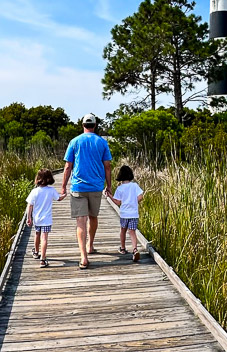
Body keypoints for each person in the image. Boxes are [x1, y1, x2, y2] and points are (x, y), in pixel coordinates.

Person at [61, 113, 112, 270]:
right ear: (95, 125)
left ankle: (83, 256)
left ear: (83, 125)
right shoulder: (102, 142)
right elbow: (107, 166)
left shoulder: (74, 141)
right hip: (96, 186)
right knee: (93, 217)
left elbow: (68, 166)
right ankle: (90, 245)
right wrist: (109, 186)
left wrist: (63, 186)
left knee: (80, 221)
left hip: (78, 187)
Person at [26, 168, 66, 268]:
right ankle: (43, 260)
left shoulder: (34, 191)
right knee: (44, 238)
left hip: (37, 219)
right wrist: (64, 195)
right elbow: (59, 198)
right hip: (46, 220)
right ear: (50, 179)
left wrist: (28, 217)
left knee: (37, 234)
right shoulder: (51, 190)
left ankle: (36, 252)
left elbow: (30, 205)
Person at [109, 164, 144, 263]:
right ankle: (135, 249)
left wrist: (110, 196)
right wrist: (133, 201)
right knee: (132, 232)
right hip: (134, 214)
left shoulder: (120, 188)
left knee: (123, 230)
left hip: (124, 214)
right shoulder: (134, 185)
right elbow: (141, 196)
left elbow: (118, 202)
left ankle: (123, 248)